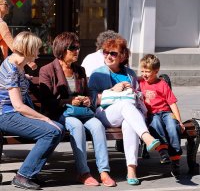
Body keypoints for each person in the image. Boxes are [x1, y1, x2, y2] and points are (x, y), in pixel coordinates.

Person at [39, 32, 116, 187]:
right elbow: (46, 101)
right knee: (76, 126)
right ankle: (83, 173)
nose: (77, 51)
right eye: (73, 48)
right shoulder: (47, 70)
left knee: (98, 125)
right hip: (61, 112)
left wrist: (87, 100)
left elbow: (87, 93)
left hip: (81, 111)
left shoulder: (79, 70)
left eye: (78, 47)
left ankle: (104, 171)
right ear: (62, 49)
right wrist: (69, 101)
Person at [88, 37, 160, 185]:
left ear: (122, 56)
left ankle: (131, 169)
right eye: (105, 52)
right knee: (126, 106)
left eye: (113, 53)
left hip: (129, 114)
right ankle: (146, 137)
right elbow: (91, 99)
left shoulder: (130, 74)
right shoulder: (97, 74)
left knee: (129, 123)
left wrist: (133, 91)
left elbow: (139, 95)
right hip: (106, 113)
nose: (108, 56)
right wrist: (112, 90)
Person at [0, 31, 64, 190]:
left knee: (58, 129)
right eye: (36, 49)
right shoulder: (12, 70)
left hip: (12, 113)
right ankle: (23, 175)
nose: (38, 53)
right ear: (28, 50)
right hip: (6, 115)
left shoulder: (17, 65)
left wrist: (26, 78)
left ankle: (30, 172)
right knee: (52, 131)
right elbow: (18, 106)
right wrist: (44, 118)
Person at [139, 54, 185, 177]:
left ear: (156, 71)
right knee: (155, 124)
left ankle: (175, 158)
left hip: (166, 113)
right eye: (142, 71)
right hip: (152, 114)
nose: (144, 74)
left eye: (147, 71)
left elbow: (172, 103)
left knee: (173, 126)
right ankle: (163, 151)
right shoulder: (140, 82)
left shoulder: (162, 84)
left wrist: (179, 121)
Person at [0, 0, 36, 69]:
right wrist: (29, 61)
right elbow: (12, 45)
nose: (8, 6)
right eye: (5, 4)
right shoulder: (1, 24)